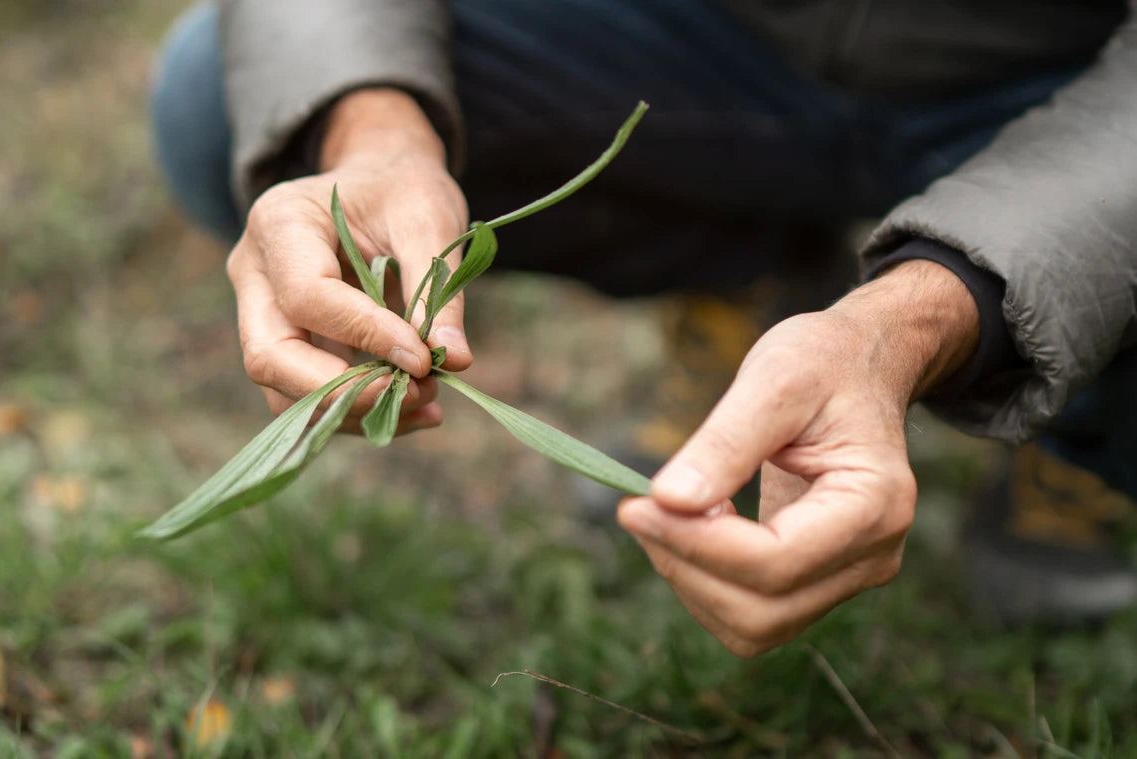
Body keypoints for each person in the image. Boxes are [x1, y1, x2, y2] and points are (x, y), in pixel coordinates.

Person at [151, 0, 1137, 656]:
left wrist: (918, 318)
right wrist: (369, 125)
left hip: (1063, 75)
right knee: (219, 93)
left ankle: (1073, 398)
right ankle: (742, 274)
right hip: (703, 42)